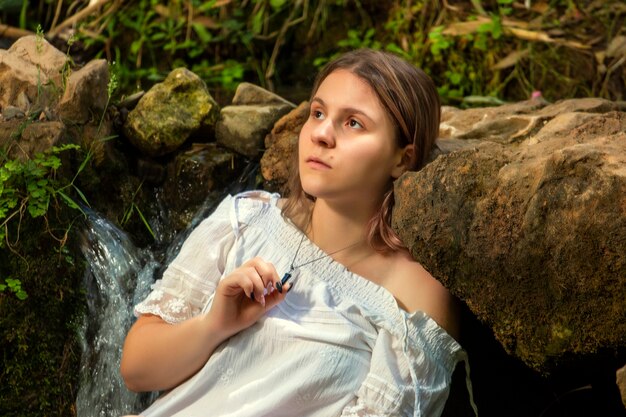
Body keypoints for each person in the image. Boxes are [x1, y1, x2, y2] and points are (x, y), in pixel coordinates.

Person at [121, 48, 476, 417]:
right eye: (318, 113)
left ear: (402, 159)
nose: (322, 134)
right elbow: (136, 371)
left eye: (353, 123)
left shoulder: (412, 300)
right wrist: (214, 325)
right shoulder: (246, 220)